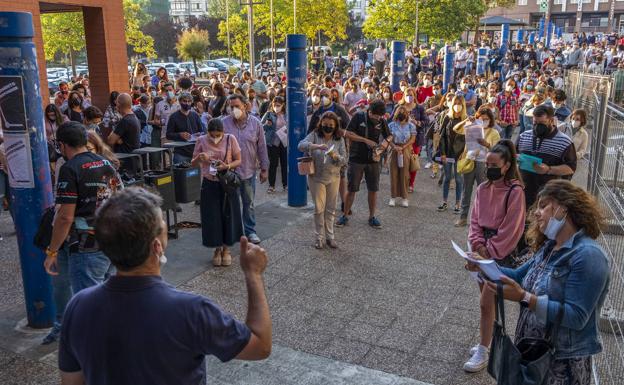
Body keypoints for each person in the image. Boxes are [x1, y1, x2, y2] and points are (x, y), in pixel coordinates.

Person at [58, 187, 272, 385]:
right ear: (157, 246)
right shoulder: (191, 311)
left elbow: (72, 381)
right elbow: (260, 346)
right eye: (163, 226)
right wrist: (253, 274)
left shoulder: (78, 307)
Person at [470, 180, 610, 385]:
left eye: (544, 206)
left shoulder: (589, 256)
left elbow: (577, 316)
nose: (536, 212)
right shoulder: (550, 247)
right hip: (534, 352)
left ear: (564, 208)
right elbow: (518, 276)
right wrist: (483, 265)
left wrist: (526, 298)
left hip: (562, 363)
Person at [42, 121, 121, 345]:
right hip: (110, 240)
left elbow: (65, 217)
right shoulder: (107, 162)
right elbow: (120, 200)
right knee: (109, 298)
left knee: (90, 305)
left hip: (86, 247)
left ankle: (99, 354)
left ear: (63, 145)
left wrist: (52, 251)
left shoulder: (70, 168)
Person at [463, 140, 526, 372]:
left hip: (500, 253)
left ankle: (484, 348)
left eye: (493, 164)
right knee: (486, 302)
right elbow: (475, 220)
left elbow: (512, 228)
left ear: (507, 165)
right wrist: (478, 245)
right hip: (481, 249)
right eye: (486, 163)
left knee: (487, 301)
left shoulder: (515, 191)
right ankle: (486, 342)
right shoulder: (483, 188)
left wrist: (488, 250)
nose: (488, 167)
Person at [192, 119, 243, 267]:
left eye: (218, 135)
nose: (215, 138)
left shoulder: (230, 138)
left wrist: (226, 165)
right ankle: (216, 249)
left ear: (223, 132)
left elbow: (239, 160)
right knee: (212, 217)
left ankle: (226, 249)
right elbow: (192, 162)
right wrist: (199, 158)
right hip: (209, 183)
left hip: (227, 183)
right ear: (208, 132)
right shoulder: (201, 140)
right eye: (212, 135)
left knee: (229, 215)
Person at [336, 99, 392, 229]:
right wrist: (365, 140)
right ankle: (345, 215)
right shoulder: (358, 116)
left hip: (373, 160)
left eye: (380, 116)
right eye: (376, 115)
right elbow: (348, 134)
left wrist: (383, 146)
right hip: (356, 158)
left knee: (373, 189)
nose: (378, 118)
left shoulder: (382, 120)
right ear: (370, 111)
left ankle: (372, 217)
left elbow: (389, 136)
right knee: (352, 189)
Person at [222, 94, 269, 245]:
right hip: (229, 173)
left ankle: (250, 231)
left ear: (245, 106)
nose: (234, 109)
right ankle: (233, 231)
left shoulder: (256, 124)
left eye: (237, 106)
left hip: (248, 171)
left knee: (248, 203)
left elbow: (261, 147)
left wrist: (264, 168)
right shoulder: (224, 123)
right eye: (231, 106)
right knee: (230, 203)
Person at [298, 112, 347, 249]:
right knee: (319, 208)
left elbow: (344, 159)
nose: (328, 127)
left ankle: (330, 237)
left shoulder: (339, 139)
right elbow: (300, 145)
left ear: (336, 126)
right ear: (321, 124)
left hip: (333, 177)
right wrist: (315, 147)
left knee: (330, 209)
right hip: (316, 177)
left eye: (331, 125)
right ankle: (319, 237)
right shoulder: (314, 135)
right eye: (325, 124)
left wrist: (336, 156)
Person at [516, 105, 576, 208]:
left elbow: (570, 168)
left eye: (542, 123)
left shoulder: (565, 142)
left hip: (550, 195)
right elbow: (514, 156)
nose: (537, 127)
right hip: (524, 192)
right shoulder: (523, 136)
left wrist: (548, 169)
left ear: (551, 120)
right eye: (535, 123)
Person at [453, 107, 501, 227]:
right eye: (481, 119)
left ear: (491, 120)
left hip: (484, 164)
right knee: (466, 190)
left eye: (486, 119)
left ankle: (481, 220)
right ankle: (463, 217)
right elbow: (456, 129)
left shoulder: (494, 133)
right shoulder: (472, 128)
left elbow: (499, 151)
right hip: (470, 161)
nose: (484, 121)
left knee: (483, 192)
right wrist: (466, 121)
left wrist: (487, 145)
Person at [438, 95, 466, 213]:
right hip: (448, 153)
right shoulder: (447, 117)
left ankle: (458, 204)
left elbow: (468, 139)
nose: (457, 106)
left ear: (463, 106)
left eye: (460, 103)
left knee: (459, 179)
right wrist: (443, 153)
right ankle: (444, 202)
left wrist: (464, 154)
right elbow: (442, 136)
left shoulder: (466, 120)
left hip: (460, 154)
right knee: (447, 178)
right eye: (455, 103)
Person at [388, 106, 415, 207]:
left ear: (407, 114)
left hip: (406, 149)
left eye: (404, 112)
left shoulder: (411, 126)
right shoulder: (391, 125)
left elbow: (412, 139)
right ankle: (392, 197)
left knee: (405, 174)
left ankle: (405, 197)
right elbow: (388, 139)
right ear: (396, 113)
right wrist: (395, 147)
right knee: (393, 173)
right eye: (400, 111)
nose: (402, 113)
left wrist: (403, 147)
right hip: (394, 149)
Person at [166, 92, 204, 164]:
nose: (187, 103)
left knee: (195, 174)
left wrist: (199, 135)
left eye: (189, 101)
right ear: (180, 101)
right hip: (181, 152)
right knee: (180, 174)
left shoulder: (195, 115)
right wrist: (180, 135)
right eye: (184, 101)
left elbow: (201, 131)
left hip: (195, 151)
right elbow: (168, 135)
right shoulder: (174, 117)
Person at [261, 96, 288, 193]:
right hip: (273, 143)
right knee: (273, 164)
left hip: (284, 142)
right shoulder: (268, 114)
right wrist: (266, 125)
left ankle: (286, 185)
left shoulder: (286, 114)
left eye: (279, 105)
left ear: (283, 105)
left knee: (284, 164)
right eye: (275, 105)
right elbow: (260, 127)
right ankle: (271, 186)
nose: (276, 107)